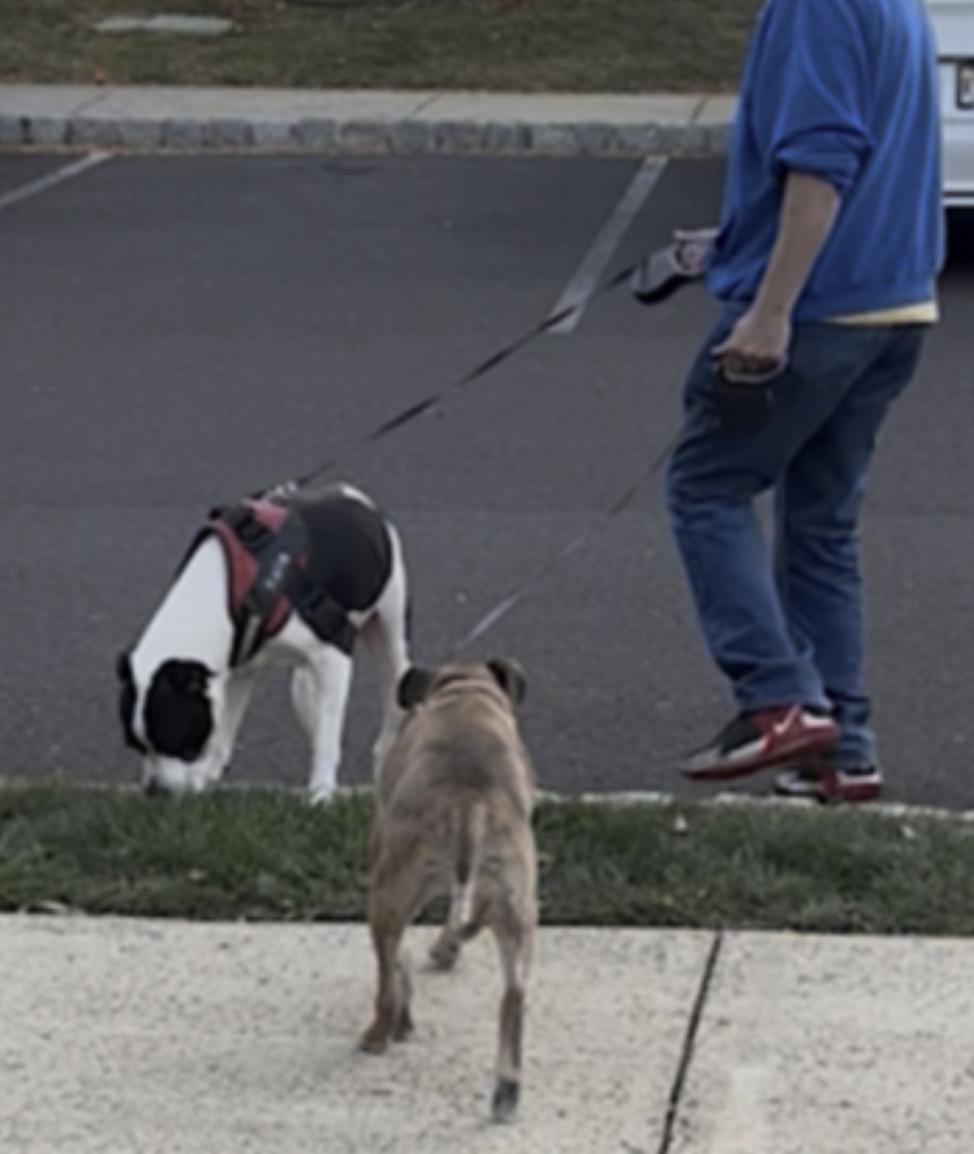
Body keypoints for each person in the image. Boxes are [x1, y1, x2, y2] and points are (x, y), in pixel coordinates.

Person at [666, 0, 943, 802]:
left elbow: (824, 162)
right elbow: (878, 154)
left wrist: (770, 309)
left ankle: (778, 698)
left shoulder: (814, 5)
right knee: (822, 525)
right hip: (896, 306)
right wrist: (736, 240)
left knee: (705, 486)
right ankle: (844, 751)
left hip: (819, 313)